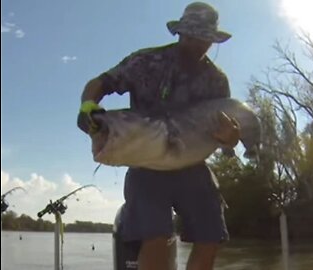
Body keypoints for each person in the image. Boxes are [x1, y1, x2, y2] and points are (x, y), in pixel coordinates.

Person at [78, 2, 239, 270]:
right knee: (155, 237)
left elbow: (226, 134)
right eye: (192, 36)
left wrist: (231, 139)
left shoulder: (217, 80)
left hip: (192, 164)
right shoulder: (146, 61)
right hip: (147, 164)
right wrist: (88, 106)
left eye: (205, 39)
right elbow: (99, 83)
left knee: (210, 237)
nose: (198, 44)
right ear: (180, 33)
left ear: (213, 40)